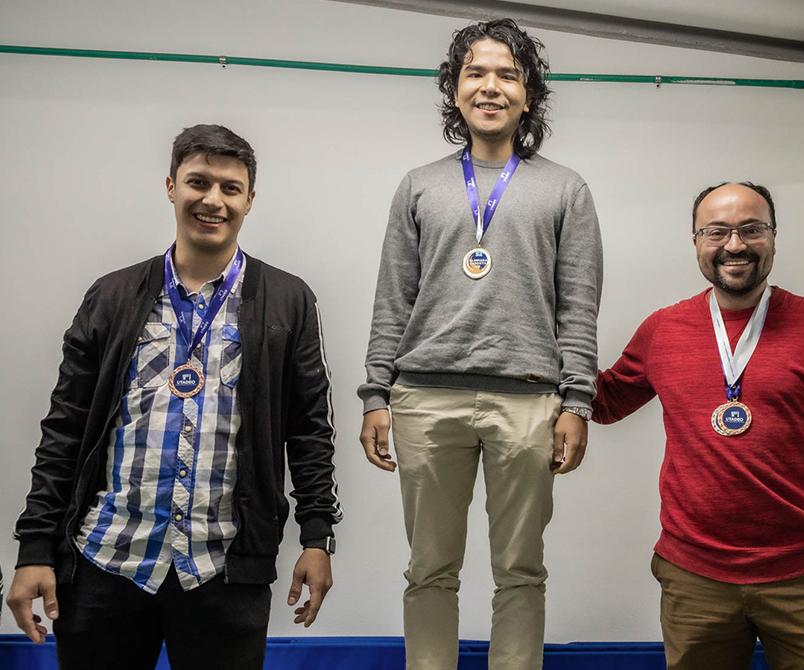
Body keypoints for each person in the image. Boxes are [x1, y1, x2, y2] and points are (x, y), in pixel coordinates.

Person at [5, 124, 342, 670]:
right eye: (198, 182)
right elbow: (64, 428)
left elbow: (310, 431)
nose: (213, 200)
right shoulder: (113, 295)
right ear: (171, 187)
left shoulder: (288, 300)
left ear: (250, 199)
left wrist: (317, 537)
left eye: (230, 188)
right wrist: (35, 548)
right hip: (107, 559)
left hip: (225, 567)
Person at [592, 182, 804, 669]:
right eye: (717, 231)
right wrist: (538, 339)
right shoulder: (663, 331)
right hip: (695, 577)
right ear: (696, 241)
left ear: (773, 236)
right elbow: (604, 402)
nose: (735, 244)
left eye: (751, 229)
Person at [357, 18, 602, 670]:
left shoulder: (566, 189)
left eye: (507, 74)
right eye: (476, 73)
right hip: (423, 398)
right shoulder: (418, 185)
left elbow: (579, 308)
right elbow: (393, 299)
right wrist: (376, 395)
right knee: (429, 569)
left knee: (520, 570)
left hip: (528, 401)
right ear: (455, 89)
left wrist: (577, 403)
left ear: (528, 94)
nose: (490, 86)